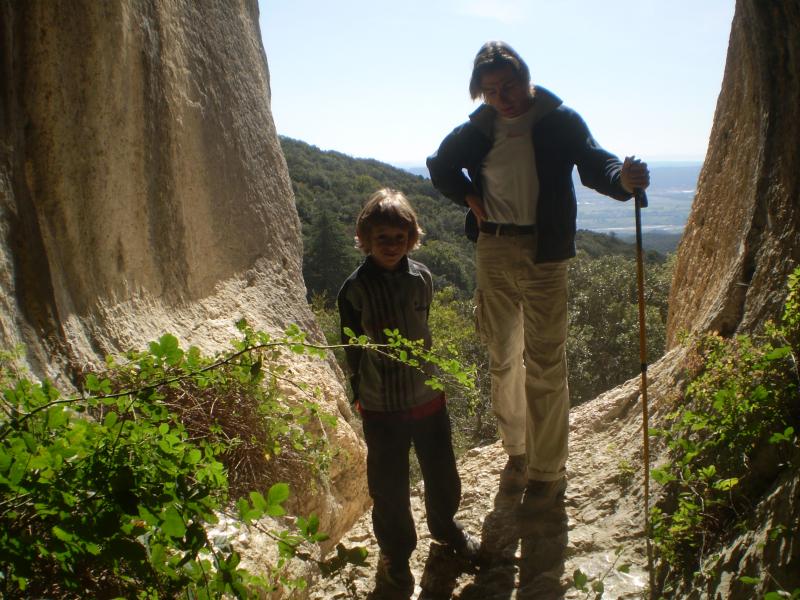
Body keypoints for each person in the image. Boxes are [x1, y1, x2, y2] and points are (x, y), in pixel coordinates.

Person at [426, 41, 650, 507]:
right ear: (480, 94)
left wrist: (624, 181)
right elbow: (440, 165)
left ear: (525, 78)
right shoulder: (479, 129)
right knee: (503, 355)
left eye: (507, 85)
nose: (501, 96)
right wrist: (469, 197)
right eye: (490, 90)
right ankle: (517, 449)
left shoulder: (558, 120)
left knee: (546, 363)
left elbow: (596, 163)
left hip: (545, 253)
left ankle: (547, 473)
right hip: (493, 248)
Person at [337, 188, 480, 594]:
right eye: (382, 237)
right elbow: (352, 347)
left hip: (426, 398)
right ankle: (396, 558)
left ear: (411, 238)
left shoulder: (422, 278)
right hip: (382, 405)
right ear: (365, 238)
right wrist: (359, 394)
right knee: (389, 487)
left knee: (442, 472)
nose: (391, 245)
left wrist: (435, 384)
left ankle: (446, 526)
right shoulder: (355, 289)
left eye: (399, 238)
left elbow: (425, 332)